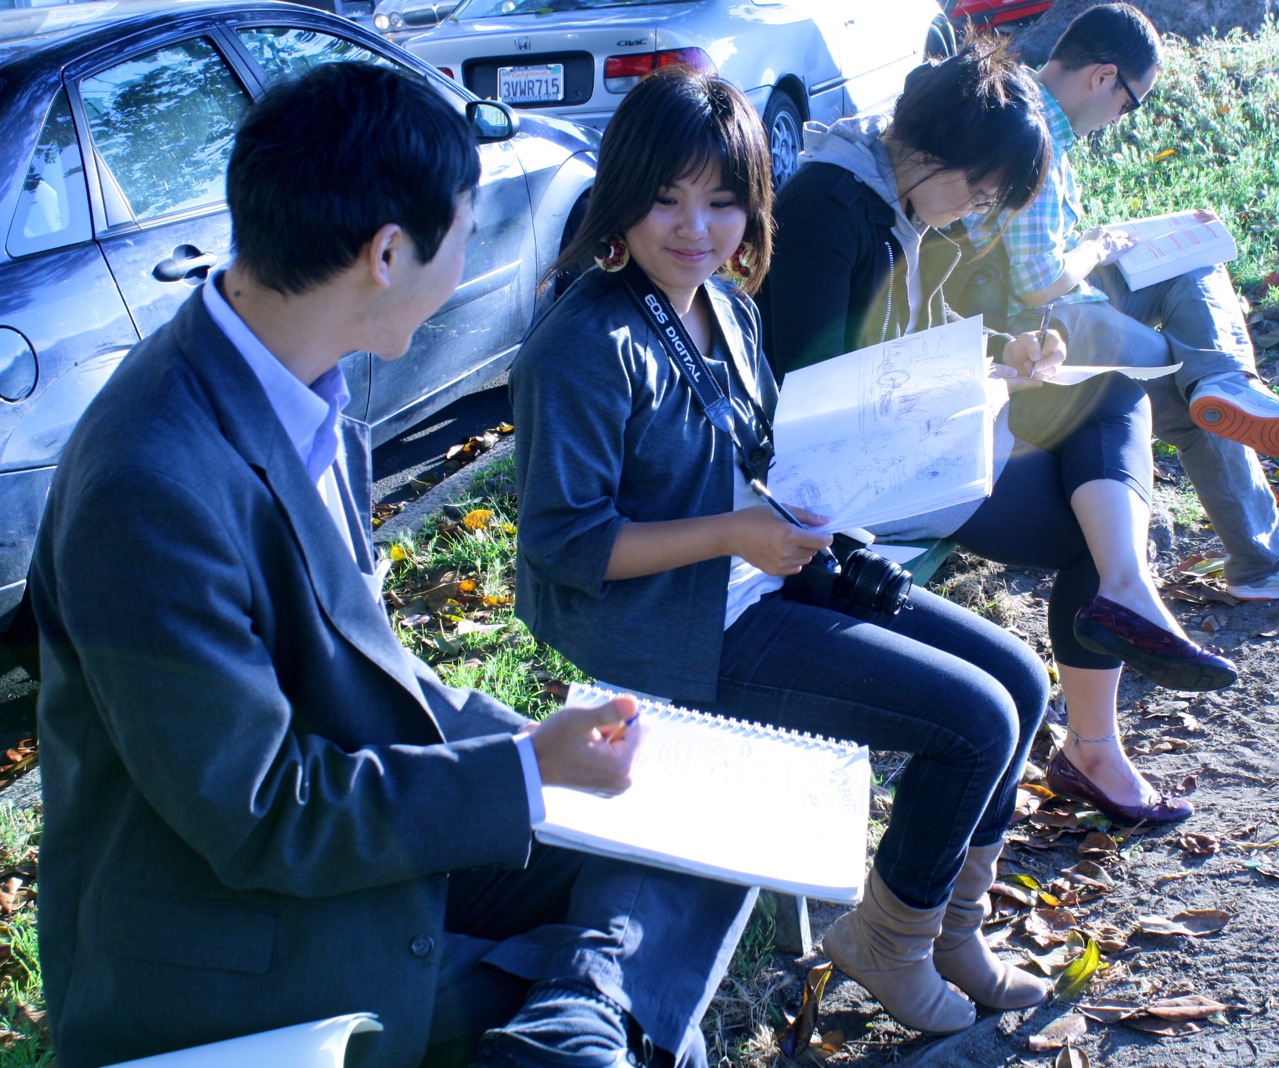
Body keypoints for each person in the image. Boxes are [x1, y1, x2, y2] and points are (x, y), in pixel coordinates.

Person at [29, 62, 754, 1068]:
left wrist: (533, 748)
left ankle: (572, 1013)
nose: (472, 260)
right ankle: (575, 1018)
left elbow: (370, 673)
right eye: (461, 234)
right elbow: (263, 816)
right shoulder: (149, 485)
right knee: (611, 953)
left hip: (341, 850)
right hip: (240, 945)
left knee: (699, 835)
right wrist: (523, 774)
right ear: (386, 253)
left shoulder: (292, 377)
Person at [513, 65, 1052, 1036]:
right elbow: (564, 548)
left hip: (762, 575)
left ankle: (948, 926)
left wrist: (829, 534)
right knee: (973, 719)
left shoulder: (722, 307)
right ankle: (887, 942)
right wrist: (736, 534)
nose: (694, 228)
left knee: (1016, 676)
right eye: (665, 199)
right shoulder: (583, 342)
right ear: (620, 194)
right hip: (667, 626)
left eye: (722, 201)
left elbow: (762, 459)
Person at [759, 42, 1221, 831]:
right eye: (978, 188)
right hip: (857, 481)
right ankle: (1097, 729)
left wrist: (998, 356)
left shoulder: (900, 196)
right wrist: (977, 386)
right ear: (934, 149)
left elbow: (904, 344)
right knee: (1092, 525)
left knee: (1109, 385)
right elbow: (814, 397)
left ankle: (1122, 598)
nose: (976, 209)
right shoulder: (831, 209)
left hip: (921, 441)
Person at [960, 2, 1279, 604]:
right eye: (1131, 102)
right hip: (1035, 326)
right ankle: (1263, 561)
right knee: (1185, 385)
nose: (1123, 118)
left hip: (1043, 306)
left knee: (1192, 260)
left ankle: (1227, 382)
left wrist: (1134, 237)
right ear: (1103, 76)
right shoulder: (1035, 135)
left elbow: (1023, 246)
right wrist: (1096, 246)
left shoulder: (1024, 100)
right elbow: (1037, 281)